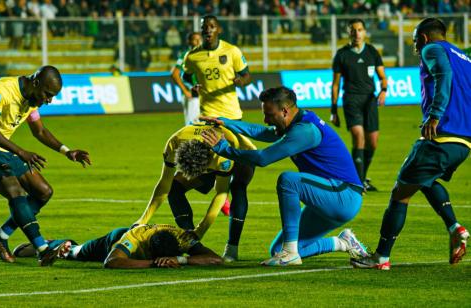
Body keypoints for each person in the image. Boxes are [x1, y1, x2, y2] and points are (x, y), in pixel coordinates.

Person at [200, 86, 369, 266]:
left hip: (343, 197)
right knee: (278, 248)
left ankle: (290, 254)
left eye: (269, 115)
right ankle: (343, 242)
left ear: (285, 111)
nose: (266, 120)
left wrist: (224, 149)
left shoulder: (305, 131)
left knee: (289, 180)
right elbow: (264, 133)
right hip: (329, 196)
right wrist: (227, 123)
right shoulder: (296, 122)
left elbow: (262, 158)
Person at [351, 18, 470, 270]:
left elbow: (443, 75)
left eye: (416, 40)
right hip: (464, 142)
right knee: (424, 180)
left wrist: (435, 114)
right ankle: (455, 227)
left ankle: (380, 257)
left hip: (441, 135)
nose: (416, 46)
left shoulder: (432, 49)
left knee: (400, 192)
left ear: (424, 38)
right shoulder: (463, 56)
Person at [0, 65, 91, 266]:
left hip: (1, 149)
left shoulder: (32, 100)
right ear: (36, 82)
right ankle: (42, 249)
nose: (48, 100)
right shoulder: (3, 89)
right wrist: (21, 152)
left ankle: (0, 235)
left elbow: (39, 131)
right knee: (16, 191)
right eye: (47, 94)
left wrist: (67, 151)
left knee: (43, 191)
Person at [182, 15, 254, 262]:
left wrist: (238, 80)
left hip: (235, 121)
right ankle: (193, 236)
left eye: (211, 27)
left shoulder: (232, 52)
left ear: (219, 29)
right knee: (218, 183)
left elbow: (247, 76)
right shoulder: (192, 56)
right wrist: (192, 86)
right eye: (204, 28)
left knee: (240, 182)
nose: (208, 31)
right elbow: (186, 75)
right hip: (208, 123)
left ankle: (230, 247)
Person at [134, 123, 250, 240]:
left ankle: (231, 248)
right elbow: (165, 184)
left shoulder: (222, 158)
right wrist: (142, 221)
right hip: (208, 152)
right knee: (174, 187)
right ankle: (189, 237)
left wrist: (201, 230)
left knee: (238, 188)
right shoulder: (174, 143)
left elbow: (221, 193)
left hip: (243, 154)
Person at [330, 18, 388, 192]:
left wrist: (384, 90)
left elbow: (382, 76)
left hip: (369, 100)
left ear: (364, 32)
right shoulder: (342, 55)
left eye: (360, 29)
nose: (357, 33)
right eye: (353, 30)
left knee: (373, 142)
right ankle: (358, 182)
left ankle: (361, 177)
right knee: (358, 137)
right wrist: (334, 110)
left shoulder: (372, 52)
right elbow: (335, 84)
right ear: (348, 32)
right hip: (351, 100)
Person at [12, 224, 223, 269]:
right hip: (113, 240)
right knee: (76, 253)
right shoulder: (136, 238)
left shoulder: (180, 237)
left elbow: (216, 259)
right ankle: (49, 244)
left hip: (143, 249)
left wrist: (181, 259)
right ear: (149, 248)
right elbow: (111, 262)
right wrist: (153, 263)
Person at [170, 32, 202, 126]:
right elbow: (175, 74)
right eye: (195, 39)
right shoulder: (185, 55)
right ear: (189, 42)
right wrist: (185, 91)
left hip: (203, 95)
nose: (198, 41)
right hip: (192, 94)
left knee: (203, 125)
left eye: (199, 39)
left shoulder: (204, 54)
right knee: (192, 124)